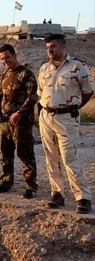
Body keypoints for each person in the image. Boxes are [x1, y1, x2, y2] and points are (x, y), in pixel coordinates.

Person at [38, 34, 94, 214]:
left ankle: (83, 197)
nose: (50, 50)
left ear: (63, 47)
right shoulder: (44, 69)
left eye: (53, 46)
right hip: (46, 117)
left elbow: (87, 92)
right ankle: (57, 194)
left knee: (69, 158)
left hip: (67, 119)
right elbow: (41, 93)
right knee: (51, 158)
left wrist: (72, 108)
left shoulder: (78, 66)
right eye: (48, 47)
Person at [0, 44, 39, 198]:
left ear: (14, 55)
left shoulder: (26, 74)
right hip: (5, 122)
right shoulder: (5, 74)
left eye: (7, 57)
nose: (5, 61)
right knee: (5, 153)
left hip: (21, 122)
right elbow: (0, 95)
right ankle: (6, 181)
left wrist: (19, 113)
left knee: (25, 153)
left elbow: (32, 96)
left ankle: (31, 186)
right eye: (3, 59)